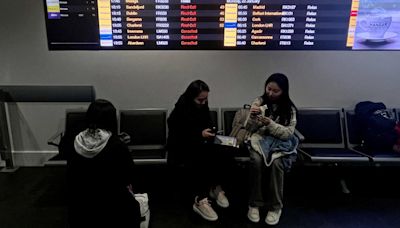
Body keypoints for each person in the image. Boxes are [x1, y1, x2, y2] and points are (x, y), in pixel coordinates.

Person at [62, 99, 141, 227]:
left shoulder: (72, 140)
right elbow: (129, 176)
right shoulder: (117, 146)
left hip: (79, 208)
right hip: (110, 209)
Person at [167, 80, 231, 221]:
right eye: (200, 100)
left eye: (206, 99)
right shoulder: (179, 111)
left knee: (225, 151)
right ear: (191, 97)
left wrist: (210, 133)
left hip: (200, 143)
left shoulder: (202, 106)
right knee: (199, 158)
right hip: (181, 148)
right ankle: (199, 199)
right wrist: (199, 134)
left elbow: (207, 123)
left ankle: (215, 187)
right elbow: (178, 136)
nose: (203, 102)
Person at [246, 73, 298, 225]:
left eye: (276, 91)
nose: (270, 93)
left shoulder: (290, 109)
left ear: (284, 91)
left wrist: (270, 124)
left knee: (277, 164)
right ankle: (254, 203)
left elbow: (288, 133)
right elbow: (249, 128)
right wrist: (253, 118)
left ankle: (275, 207)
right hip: (259, 141)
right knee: (255, 161)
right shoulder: (258, 102)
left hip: (280, 145)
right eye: (269, 89)